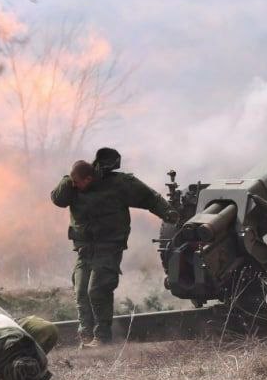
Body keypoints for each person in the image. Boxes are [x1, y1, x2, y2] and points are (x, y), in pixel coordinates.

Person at [50, 147, 177, 346]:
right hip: (84, 248)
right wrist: (68, 181)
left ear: (88, 179)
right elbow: (58, 199)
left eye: (77, 182)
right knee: (81, 290)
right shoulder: (72, 187)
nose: (74, 186)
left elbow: (149, 197)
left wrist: (170, 215)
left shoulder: (118, 184)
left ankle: (102, 337)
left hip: (108, 246)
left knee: (97, 289)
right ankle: (86, 335)